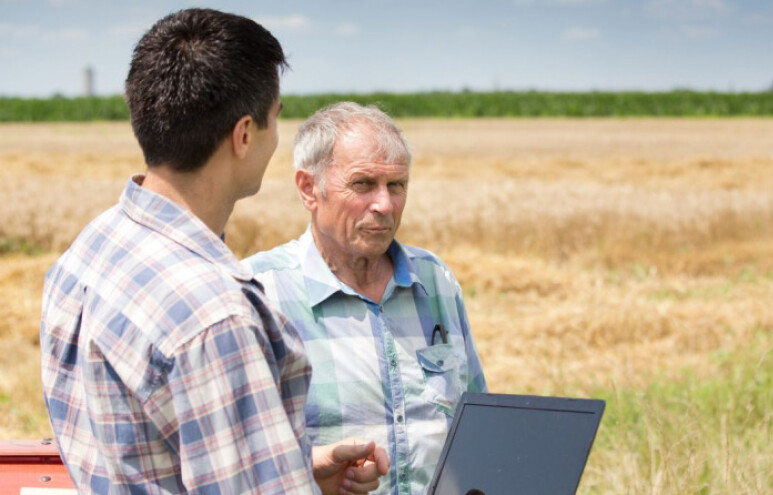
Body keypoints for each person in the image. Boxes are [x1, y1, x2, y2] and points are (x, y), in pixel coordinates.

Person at [40, 9, 387, 494]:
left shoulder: (89, 251)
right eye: (275, 120)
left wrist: (294, 471)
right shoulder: (216, 318)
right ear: (244, 135)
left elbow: (149, 451)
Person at [244, 102, 488, 495]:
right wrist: (311, 471)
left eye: (397, 185)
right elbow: (231, 459)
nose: (385, 205)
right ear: (309, 189)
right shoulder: (259, 293)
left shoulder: (435, 282)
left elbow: (478, 427)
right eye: (363, 184)